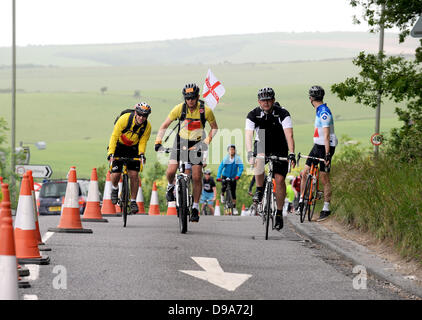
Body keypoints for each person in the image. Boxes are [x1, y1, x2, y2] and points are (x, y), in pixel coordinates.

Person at [154, 83, 218, 223]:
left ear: (198, 97)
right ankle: (171, 186)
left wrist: (206, 143)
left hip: (197, 143)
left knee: (196, 176)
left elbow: (214, 128)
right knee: (171, 171)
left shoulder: (205, 111)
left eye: (193, 98)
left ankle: (195, 207)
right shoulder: (179, 109)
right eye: (187, 98)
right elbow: (165, 125)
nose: (190, 101)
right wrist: (158, 141)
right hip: (180, 142)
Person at [245, 87, 296, 231]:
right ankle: (260, 189)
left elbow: (289, 134)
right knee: (259, 159)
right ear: (258, 101)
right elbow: (248, 135)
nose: (266, 103)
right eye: (263, 100)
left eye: (268, 100)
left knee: (279, 180)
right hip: (262, 141)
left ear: (273, 100)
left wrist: (291, 153)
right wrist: (250, 153)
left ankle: (279, 213)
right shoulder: (253, 114)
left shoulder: (283, 113)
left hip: (280, 144)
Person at [299, 85, 338, 222]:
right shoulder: (319, 110)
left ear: (311, 99)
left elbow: (327, 135)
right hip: (317, 146)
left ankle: (326, 208)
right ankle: (302, 200)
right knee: (304, 173)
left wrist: (327, 154)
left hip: (326, 147)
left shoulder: (324, 112)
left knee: (324, 178)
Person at [107, 102, 152, 214]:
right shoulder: (124, 119)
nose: (142, 118)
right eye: (140, 115)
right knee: (116, 174)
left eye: (144, 116)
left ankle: (132, 201)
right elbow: (114, 136)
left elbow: (143, 141)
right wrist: (111, 153)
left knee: (134, 175)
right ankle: (115, 188)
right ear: (135, 113)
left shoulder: (147, 127)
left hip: (133, 148)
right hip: (119, 145)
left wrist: (141, 154)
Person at [216, 144, 244, 215]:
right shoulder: (226, 159)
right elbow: (220, 168)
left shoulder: (237, 159)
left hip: (233, 177)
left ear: (234, 151)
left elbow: (241, 167)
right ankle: (222, 194)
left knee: (233, 192)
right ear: (228, 151)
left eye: (233, 149)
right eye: (230, 149)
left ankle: (234, 208)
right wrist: (218, 177)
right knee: (224, 187)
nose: (231, 151)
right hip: (225, 176)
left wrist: (238, 176)